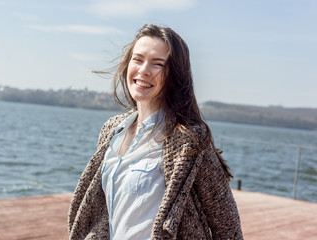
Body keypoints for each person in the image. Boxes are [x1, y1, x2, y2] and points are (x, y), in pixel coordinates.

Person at [68, 24, 243, 240]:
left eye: (157, 64)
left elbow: (227, 227)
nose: (144, 70)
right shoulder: (112, 130)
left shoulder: (189, 140)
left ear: (174, 74)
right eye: (138, 59)